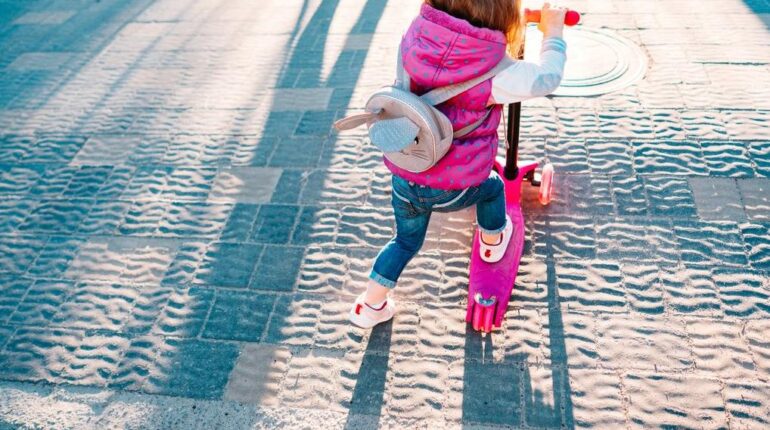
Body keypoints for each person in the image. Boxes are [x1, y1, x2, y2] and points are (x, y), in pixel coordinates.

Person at [350, 0, 569, 328]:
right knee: (494, 188)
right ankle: (493, 241)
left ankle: (370, 306)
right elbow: (546, 78)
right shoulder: (496, 71)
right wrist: (553, 32)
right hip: (453, 186)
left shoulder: (415, 37)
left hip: (407, 171)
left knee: (405, 242)